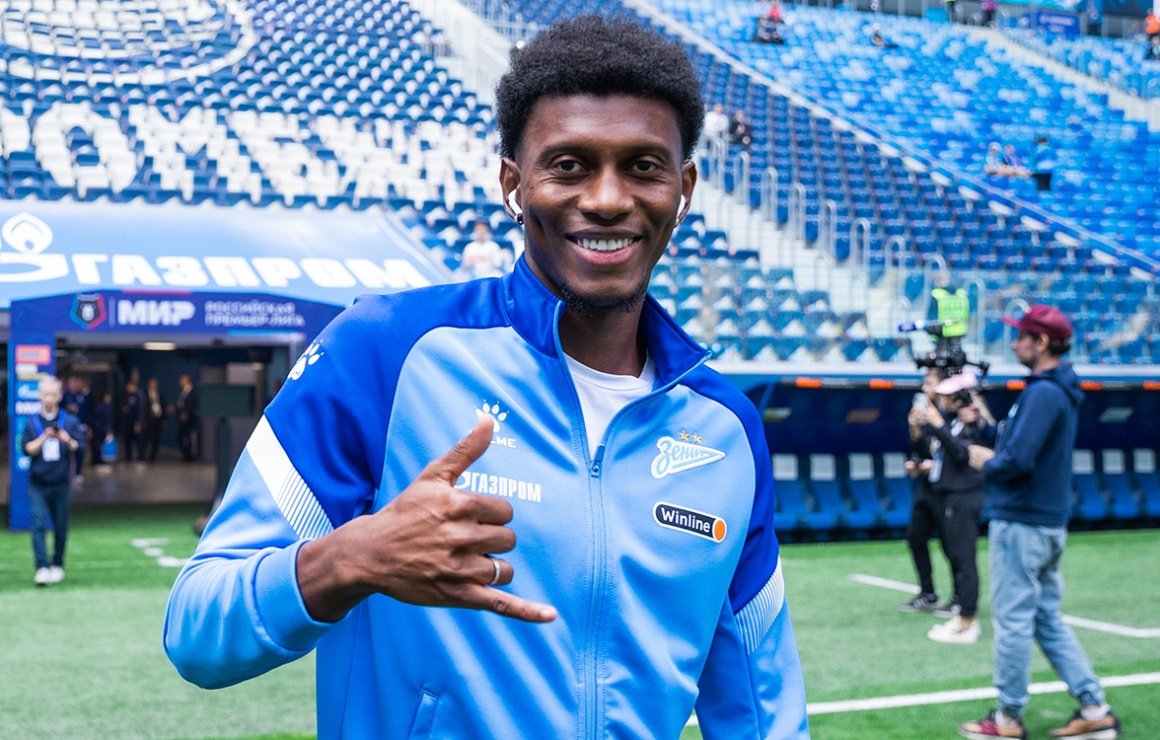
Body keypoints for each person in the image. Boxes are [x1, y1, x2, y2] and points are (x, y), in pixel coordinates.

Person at [164, 15, 809, 739]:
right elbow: (197, 628)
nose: (606, 198)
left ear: (683, 188)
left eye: (643, 166)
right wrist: (350, 560)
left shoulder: (724, 426)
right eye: (569, 165)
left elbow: (762, 710)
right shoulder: (385, 352)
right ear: (513, 183)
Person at [959, 305, 1121, 740]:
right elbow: (1021, 448)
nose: (1014, 344)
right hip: (1044, 522)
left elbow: (1016, 463)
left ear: (1042, 342)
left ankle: (1008, 719)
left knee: (1013, 621)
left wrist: (985, 461)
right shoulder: (1054, 391)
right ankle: (1094, 707)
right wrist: (986, 429)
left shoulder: (1043, 394)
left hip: (1022, 523)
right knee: (1046, 619)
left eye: (1021, 336)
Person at [923, 370, 993, 645]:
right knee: (957, 556)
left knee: (964, 559)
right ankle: (962, 615)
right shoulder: (955, 423)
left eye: (949, 397)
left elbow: (963, 455)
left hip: (965, 496)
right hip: (952, 496)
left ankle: (968, 620)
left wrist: (938, 426)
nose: (944, 401)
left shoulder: (973, 425)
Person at [21, 375, 85, 586]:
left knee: (61, 526)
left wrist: (66, 439)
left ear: (59, 396)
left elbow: (79, 447)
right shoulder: (32, 422)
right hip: (38, 482)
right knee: (38, 523)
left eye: (53, 394)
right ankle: (41, 566)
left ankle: (57, 563)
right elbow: (27, 449)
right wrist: (44, 437)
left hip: (60, 482)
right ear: (40, 396)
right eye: (45, 394)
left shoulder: (70, 420)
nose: (49, 398)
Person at [898, 368, 952, 615]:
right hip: (927, 487)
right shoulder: (925, 412)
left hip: (949, 489)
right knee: (915, 536)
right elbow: (924, 450)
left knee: (951, 546)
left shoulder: (949, 412)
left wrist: (934, 464)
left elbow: (958, 450)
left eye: (929, 383)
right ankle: (927, 593)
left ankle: (961, 598)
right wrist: (915, 429)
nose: (924, 388)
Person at [62, 375, 91, 485]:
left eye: (76, 383)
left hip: (80, 427)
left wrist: (88, 426)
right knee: (66, 451)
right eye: (72, 383)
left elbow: (87, 412)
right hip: (66, 428)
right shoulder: (64, 396)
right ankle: (66, 472)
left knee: (79, 449)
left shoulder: (82, 396)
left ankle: (78, 473)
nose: (74, 385)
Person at [176, 374, 200, 462]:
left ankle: (190, 456)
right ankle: (185, 455)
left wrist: (187, 413)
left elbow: (192, 404)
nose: (180, 382)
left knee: (189, 437)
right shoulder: (183, 392)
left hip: (190, 420)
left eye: (182, 380)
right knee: (182, 436)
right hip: (182, 419)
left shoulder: (193, 392)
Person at [120, 379, 144, 462]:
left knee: (138, 441)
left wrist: (138, 423)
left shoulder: (139, 396)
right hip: (127, 422)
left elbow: (140, 410)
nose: (128, 388)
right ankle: (128, 458)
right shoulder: (126, 396)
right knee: (127, 441)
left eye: (130, 386)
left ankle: (140, 458)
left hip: (135, 422)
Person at [143, 378, 167, 462]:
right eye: (152, 383)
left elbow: (163, 406)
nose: (154, 385)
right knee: (146, 439)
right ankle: (144, 456)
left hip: (157, 420)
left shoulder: (160, 394)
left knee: (156, 439)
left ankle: (153, 457)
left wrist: (163, 418)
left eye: (155, 384)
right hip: (148, 420)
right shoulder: (144, 394)